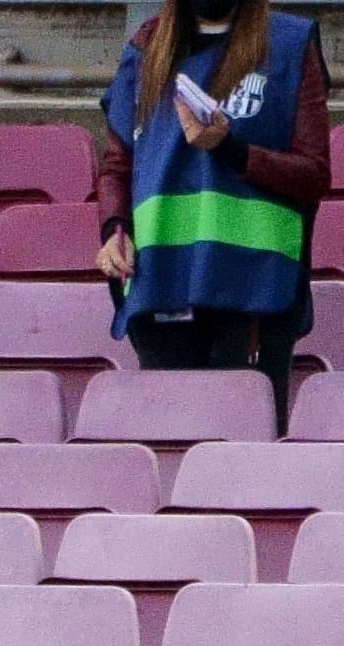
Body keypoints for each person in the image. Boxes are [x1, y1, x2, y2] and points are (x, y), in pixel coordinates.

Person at [97, 0, 329, 428]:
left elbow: (313, 174)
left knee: (245, 448)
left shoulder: (290, 44)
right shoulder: (147, 46)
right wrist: (114, 228)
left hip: (255, 292)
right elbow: (118, 165)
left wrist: (231, 149)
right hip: (162, 285)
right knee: (171, 440)